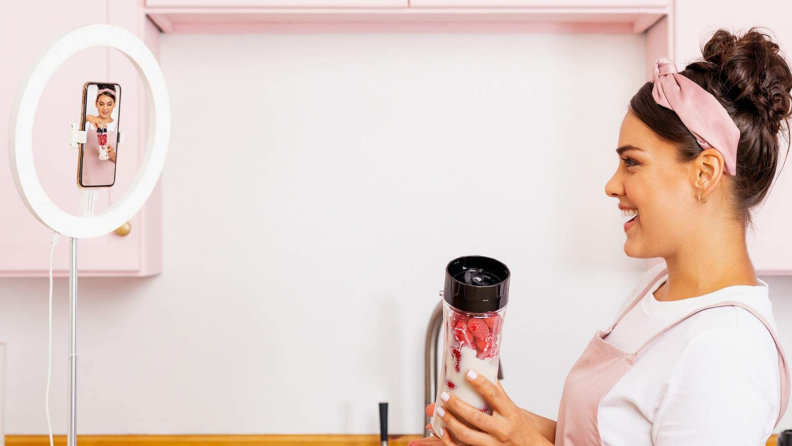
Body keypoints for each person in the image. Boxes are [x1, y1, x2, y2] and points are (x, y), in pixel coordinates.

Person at [410, 27, 792, 446]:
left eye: (632, 163)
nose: (612, 185)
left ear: (704, 173)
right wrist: (502, 426)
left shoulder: (728, 351)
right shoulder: (659, 288)